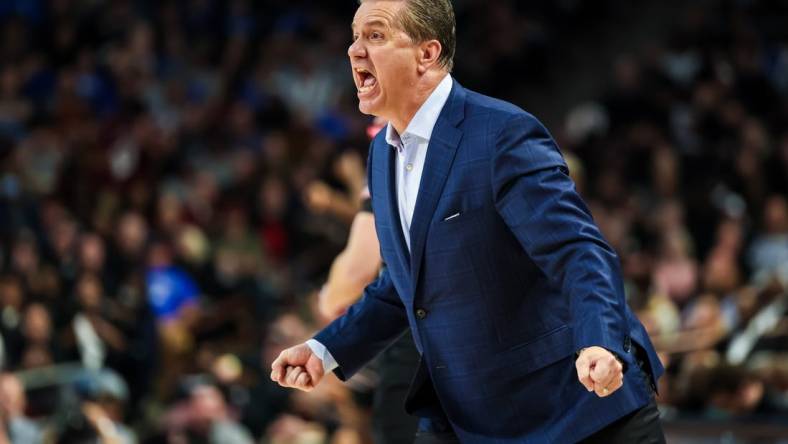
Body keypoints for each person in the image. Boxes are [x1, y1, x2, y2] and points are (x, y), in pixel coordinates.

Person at [272, 0, 665, 442]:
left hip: (576, 408)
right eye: (355, 35)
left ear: (427, 53)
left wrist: (600, 340)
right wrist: (324, 350)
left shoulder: (500, 134)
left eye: (375, 35)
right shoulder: (382, 152)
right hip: (467, 415)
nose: (354, 50)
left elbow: (578, 251)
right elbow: (404, 286)